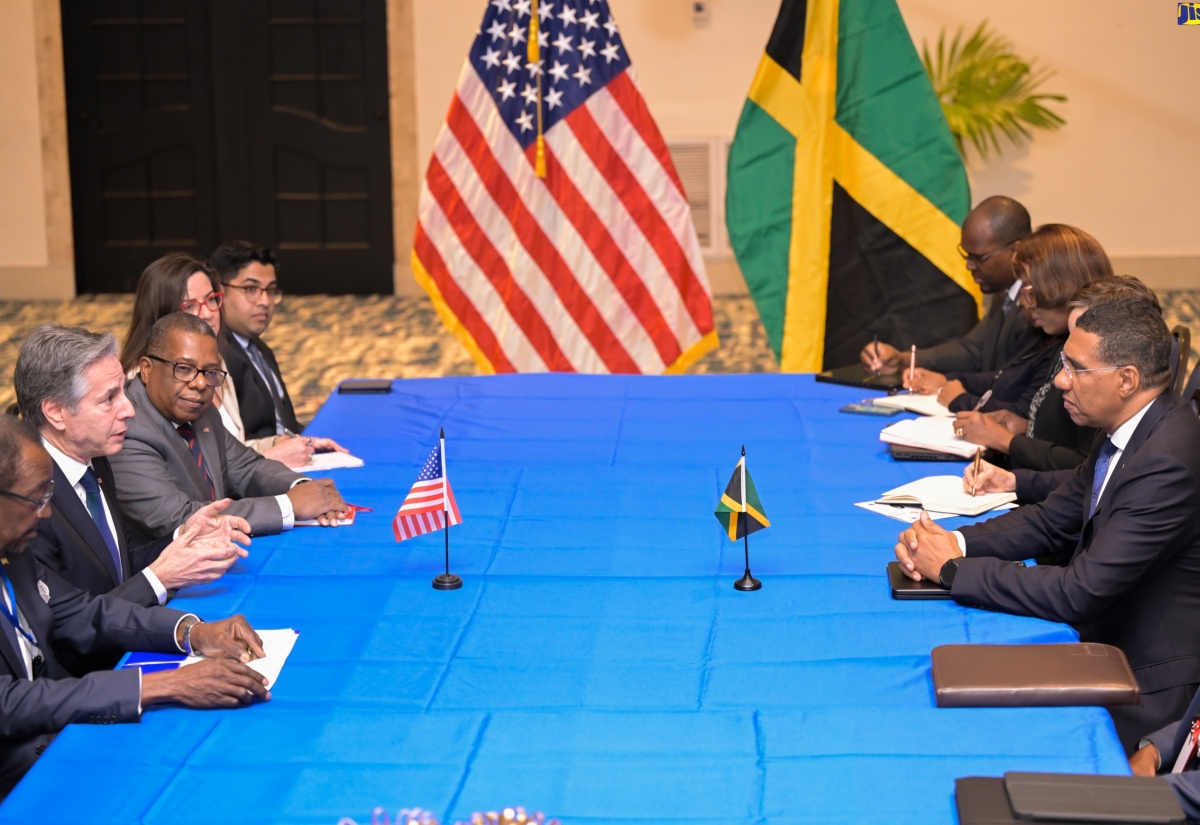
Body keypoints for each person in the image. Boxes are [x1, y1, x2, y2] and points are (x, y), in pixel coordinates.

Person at [893, 297, 1200, 751]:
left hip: (1142, 688)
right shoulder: (1124, 426)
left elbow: (1080, 591)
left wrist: (953, 571)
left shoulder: (1167, 461)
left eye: (1076, 369)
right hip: (1101, 643)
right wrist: (953, 542)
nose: (1060, 381)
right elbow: (1052, 519)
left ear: (1126, 380)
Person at [0, 414, 271, 799]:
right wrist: (161, 685)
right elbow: (9, 702)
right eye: (37, 498)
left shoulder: (15, 553)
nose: (45, 513)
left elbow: (83, 612)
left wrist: (191, 631)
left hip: (65, 734)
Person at [13, 325, 248, 619]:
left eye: (123, 392)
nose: (129, 409)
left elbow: (118, 565)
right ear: (57, 412)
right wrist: (159, 579)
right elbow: (67, 625)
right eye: (109, 399)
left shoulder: (95, 461)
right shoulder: (25, 502)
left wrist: (183, 536)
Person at [110, 313, 349, 543]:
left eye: (210, 372)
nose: (201, 383)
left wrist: (302, 488)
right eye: (183, 368)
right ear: (147, 369)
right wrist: (289, 505)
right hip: (164, 576)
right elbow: (178, 519)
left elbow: (246, 468)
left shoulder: (201, 411)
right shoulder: (126, 429)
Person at [963, 276, 1163, 498]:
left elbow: (1083, 469)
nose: (1061, 380)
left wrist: (1008, 442)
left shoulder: (1117, 418)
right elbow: (1082, 481)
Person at [119, 252, 322, 468]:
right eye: (189, 306)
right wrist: (270, 458)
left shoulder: (216, 364)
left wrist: (277, 443)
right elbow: (188, 471)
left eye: (211, 300)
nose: (207, 314)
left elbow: (226, 449)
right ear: (161, 315)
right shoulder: (142, 382)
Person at [949, 226, 1112, 470]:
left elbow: (1087, 467)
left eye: (1029, 288)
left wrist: (1007, 442)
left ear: (1060, 284)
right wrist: (1023, 426)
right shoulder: (1061, 341)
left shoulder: (1097, 356)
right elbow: (1061, 435)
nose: (1026, 303)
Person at [861, 196, 1037, 375]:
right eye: (967, 256)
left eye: (978, 258)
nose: (970, 266)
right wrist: (903, 360)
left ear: (1016, 250)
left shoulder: (1040, 303)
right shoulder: (1006, 292)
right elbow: (973, 350)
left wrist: (954, 392)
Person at [210, 241, 316, 444]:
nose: (265, 301)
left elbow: (285, 422)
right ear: (218, 291)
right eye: (251, 289)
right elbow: (229, 446)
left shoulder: (259, 347)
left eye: (271, 290)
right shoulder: (218, 357)